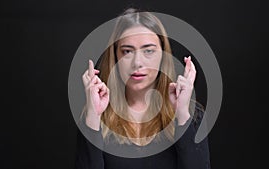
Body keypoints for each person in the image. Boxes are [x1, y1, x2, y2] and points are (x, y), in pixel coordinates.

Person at [75, 8, 211, 169]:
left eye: (148, 51)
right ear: (115, 57)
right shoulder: (95, 116)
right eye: (127, 51)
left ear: (163, 55)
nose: (137, 62)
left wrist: (181, 114)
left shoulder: (191, 114)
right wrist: (93, 117)